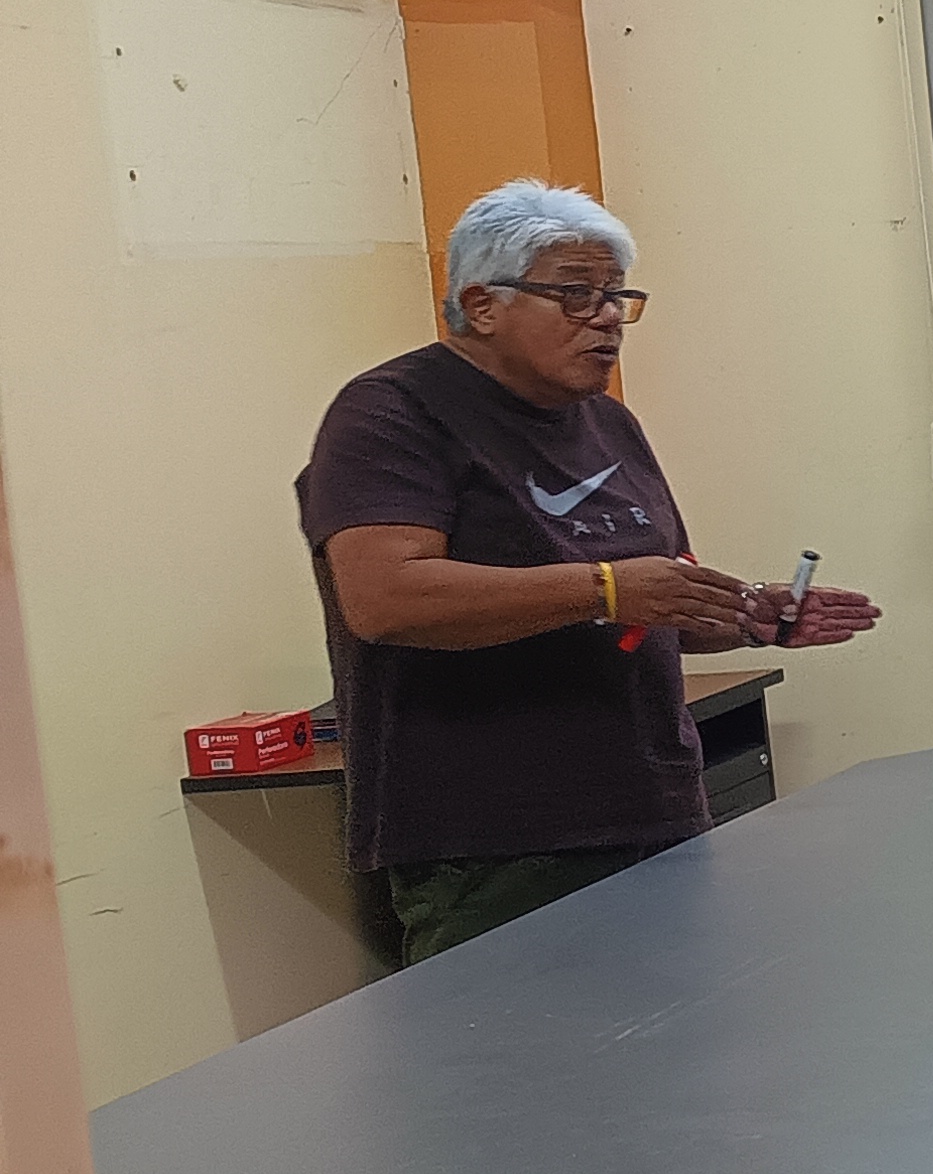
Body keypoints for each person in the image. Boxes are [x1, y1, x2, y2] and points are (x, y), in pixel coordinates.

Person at [300, 179, 881, 964]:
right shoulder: (393, 413)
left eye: (617, 295)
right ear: (482, 305)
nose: (606, 317)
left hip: (654, 809)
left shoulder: (607, 422)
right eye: (576, 294)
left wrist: (745, 613)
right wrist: (606, 587)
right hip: (494, 841)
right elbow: (386, 597)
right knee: (527, 1044)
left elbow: (649, 599)